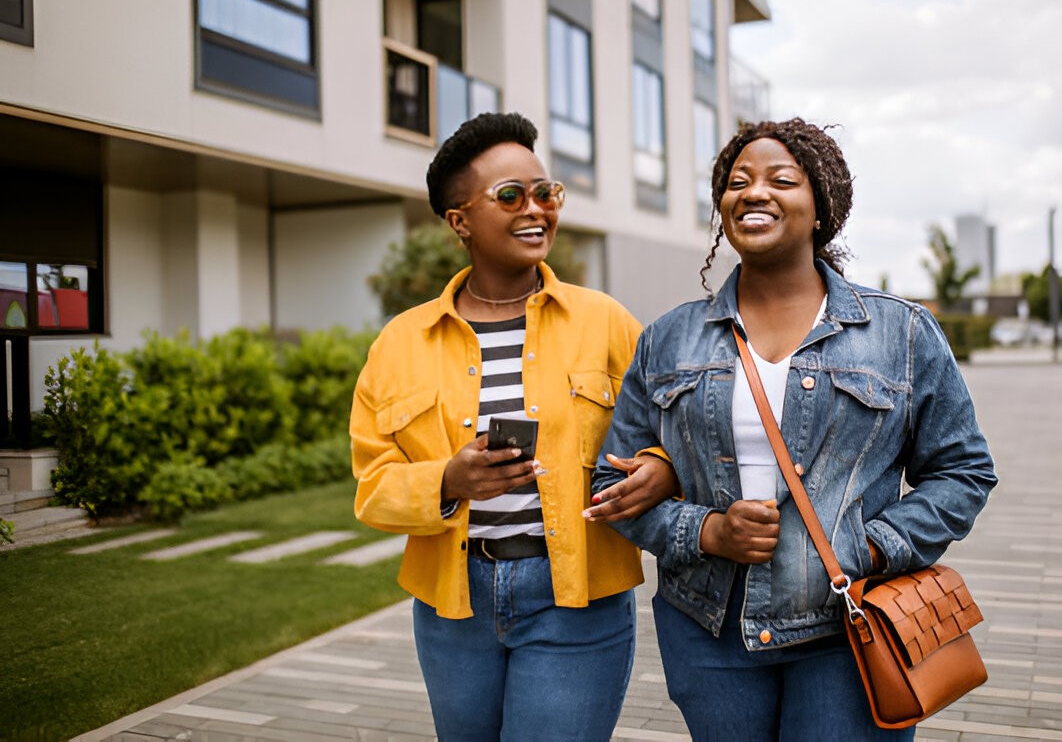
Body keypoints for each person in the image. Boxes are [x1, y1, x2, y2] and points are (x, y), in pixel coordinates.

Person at [589, 118, 997, 741]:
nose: (753, 192)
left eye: (781, 180)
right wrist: (707, 531)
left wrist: (874, 545)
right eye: (737, 182)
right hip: (709, 629)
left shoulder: (901, 333)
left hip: (849, 625)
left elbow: (963, 471)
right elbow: (608, 487)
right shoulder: (667, 339)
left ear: (820, 207)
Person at [350, 112, 676, 741]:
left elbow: (675, 429)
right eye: (510, 195)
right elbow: (373, 487)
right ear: (460, 220)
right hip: (453, 606)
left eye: (545, 192)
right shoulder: (399, 343)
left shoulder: (605, 323)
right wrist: (449, 478)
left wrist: (662, 466)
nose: (536, 209)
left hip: (576, 599)